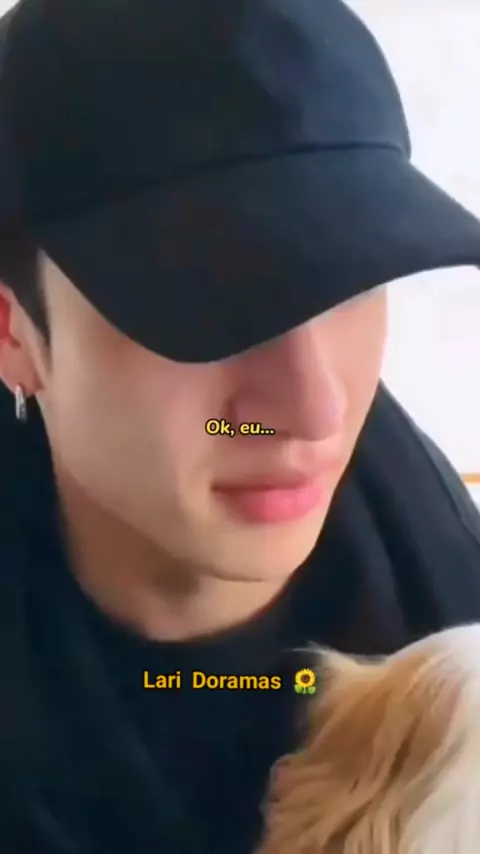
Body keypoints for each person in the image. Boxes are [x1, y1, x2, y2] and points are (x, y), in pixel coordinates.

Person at [0, 0, 480, 851]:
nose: (315, 413)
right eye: (203, 303)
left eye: (351, 282)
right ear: (13, 334)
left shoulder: (450, 636)